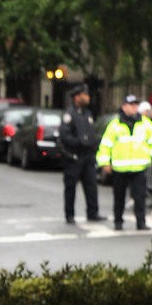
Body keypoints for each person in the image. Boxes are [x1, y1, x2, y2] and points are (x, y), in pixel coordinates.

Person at [96, 93, 152, 230]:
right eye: (131, 105)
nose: (134, 108)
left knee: (139, 197)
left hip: (139, 168)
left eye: (135, 105)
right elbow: (105, 145)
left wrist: (151, 158)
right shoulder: (114, 125)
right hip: (119, 168)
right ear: (123, 106)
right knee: (119, 197)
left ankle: (141, 222)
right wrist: (104, 163)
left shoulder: (146, 124)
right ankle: (118, 222)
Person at [59, 83, 104, 225]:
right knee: (71, 187)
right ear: (77, 97)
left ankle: (93, 212)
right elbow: (65, 136)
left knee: (91, 186)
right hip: (74, 157)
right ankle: (69, 214)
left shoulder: (88, 114)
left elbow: (92, 133)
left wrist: (92, 143)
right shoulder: (69, 114)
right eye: (85, 95)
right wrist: (80, 142)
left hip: (88, 157)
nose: (88, 97)